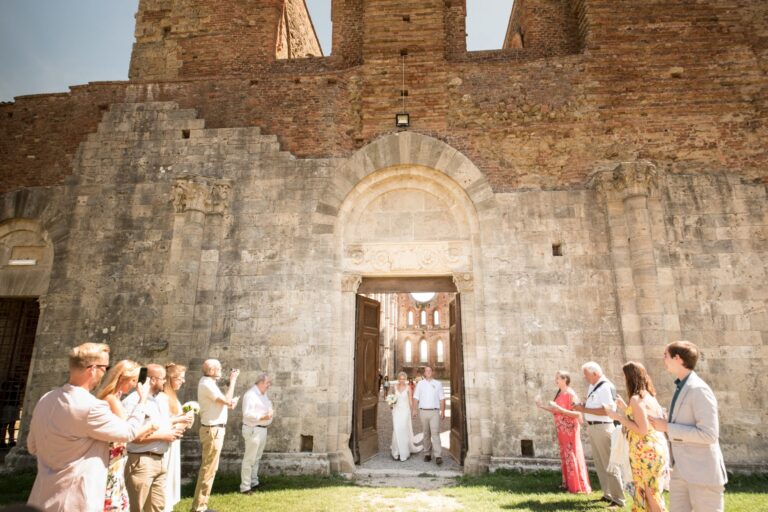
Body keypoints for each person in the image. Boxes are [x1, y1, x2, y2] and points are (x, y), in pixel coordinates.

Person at [26, 343, 155, 512]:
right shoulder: (91, 406)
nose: (104, 373)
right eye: (105, 368)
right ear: (93, 369)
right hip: (74, 499)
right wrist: (142, 400)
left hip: (42, 496)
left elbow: (32, 446)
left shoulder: (46, 399)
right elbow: (128, 432)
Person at [649, 341, 727, 512]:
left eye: (666, 355)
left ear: (678, 358)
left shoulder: (698, 389)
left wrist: (668, 427)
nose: (663, 359)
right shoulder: (681, 386)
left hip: (702, 473)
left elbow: (709, 434)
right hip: (681, 472)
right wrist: (665, 421)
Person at [604, 362, 667, 512]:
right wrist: (625, 408)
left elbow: (642, 429)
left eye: (624, 376)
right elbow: (642, 419)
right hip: (653, 446)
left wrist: (617, 417)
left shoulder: (636, 398)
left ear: (630, 378)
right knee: (651, 492)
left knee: (649, 494)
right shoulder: (648, 395)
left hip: (644, 450)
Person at [123, 364, 185, 512]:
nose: (165, 382)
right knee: (137, 507)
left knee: (157, 507)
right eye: (163, 379)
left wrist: (176, 426)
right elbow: (130, 435)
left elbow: (161, 424)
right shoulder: (133, 401)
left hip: (160, 460)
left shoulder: (162, 399)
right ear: (152, 380)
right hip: (141, 461)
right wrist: (163, 435)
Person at [572, 361, 625, 508]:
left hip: (603, 427)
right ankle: (608, 494)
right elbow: (594, 405)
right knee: (600, 463)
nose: (585, 378)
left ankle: (619, 499)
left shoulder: (606, 387)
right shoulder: (593, 386)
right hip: (594, 427)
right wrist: (583, 406)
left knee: (609, 462)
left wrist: (584, 410)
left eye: (587, 375)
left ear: (595, 373)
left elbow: (607, 411)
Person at [191, 359, 239, 512]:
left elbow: (226, 403)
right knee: (208, 469)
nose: (221, 370)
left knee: (211, 469)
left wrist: (229, 402)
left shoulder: (210, 384)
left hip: (215, 429)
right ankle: (199, 508)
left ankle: (202, 505)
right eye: (219, 368)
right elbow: (227, 401)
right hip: (212, 430)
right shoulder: (206, 384)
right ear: (211, 370)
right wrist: (233, 381)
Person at [95, 360, 142, 511]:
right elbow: (127, 430)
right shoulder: (110, 399)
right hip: (111, 457)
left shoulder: (115, 398)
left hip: (117, 459)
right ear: (122, 378)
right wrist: (142, 399)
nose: (135, 385)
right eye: (133, 380)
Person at [536, 370, 591, 494]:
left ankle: (576, 487)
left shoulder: (570, 394)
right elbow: (556, 410)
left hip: (570, 429)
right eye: (556, 378)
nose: (556, 380)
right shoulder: (560, 393)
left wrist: (560, 409)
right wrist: (541, 406)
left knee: (571, 454)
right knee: (565, 455)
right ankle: (568, 484)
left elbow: (577, 413)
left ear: (565, 379)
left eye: (558, 378)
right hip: (562, 431)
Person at [157, 363, 192, 512]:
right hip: (164, 442)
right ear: (170, 379)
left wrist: (186, 418)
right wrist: (181, 421)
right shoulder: (163, 397)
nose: (183, 382)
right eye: (180, 378)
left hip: (173, 442)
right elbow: (160, 422)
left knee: (169, 476)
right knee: (164, 477)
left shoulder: (172, 397)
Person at [240, 373, 273, 494]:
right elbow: (247, 414)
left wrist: (268, 415)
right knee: (249, 458)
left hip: (262, 429)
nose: (269, 385)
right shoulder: (250, 395)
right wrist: (263, 416)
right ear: (260, 382)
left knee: (257, 458)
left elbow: (268, 408)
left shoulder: (263, 395)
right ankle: (245, 487)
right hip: (253, 429)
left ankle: (254, 482)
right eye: (267, 383)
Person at [412, 365, 445, 465]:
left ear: (432, 372)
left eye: (430, 370)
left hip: (434, 411)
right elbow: (415, 398)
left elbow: (442, 398)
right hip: (423, 411)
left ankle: (438, 456)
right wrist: (414, 410)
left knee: (435, 433)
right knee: (426, 433)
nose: (428, 372)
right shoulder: (420, 384)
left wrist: (442, 411)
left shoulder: (438, 384)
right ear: (424, 373)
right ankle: (427, 454)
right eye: (427, 371)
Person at [389, 371, 421, 461]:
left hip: (405, 411)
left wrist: (414, 410)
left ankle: (404, 453)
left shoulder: (408, 388)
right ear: (398, 379)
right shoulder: (394, 387)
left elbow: (410, 400)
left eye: (403, 379)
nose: (402, 380)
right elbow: (392, 398)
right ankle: (396, 452)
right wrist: (391, 404)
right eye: (400, 378)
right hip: (396, 411)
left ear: (405, 379)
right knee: (396, 429)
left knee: (402, 429)